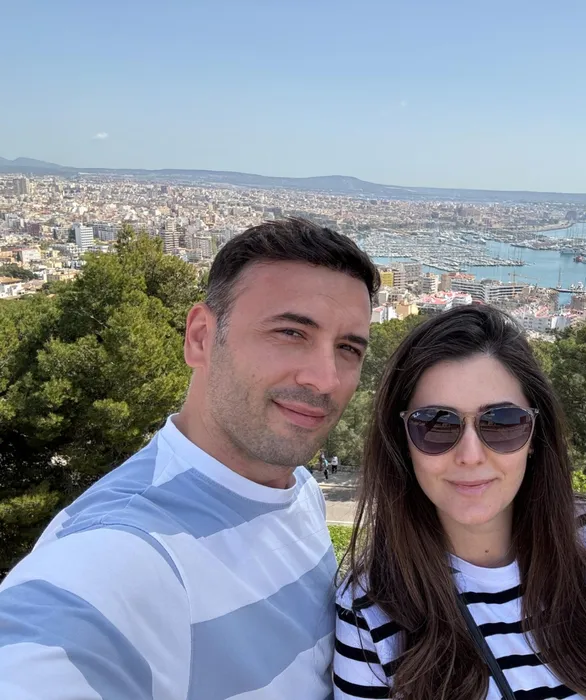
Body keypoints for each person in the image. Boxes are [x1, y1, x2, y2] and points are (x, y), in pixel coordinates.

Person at [0, 218, 379, 699]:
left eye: (348, 348)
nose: (326, 379)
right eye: (290, 332)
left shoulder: (300, 492)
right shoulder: (116, 555)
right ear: (200, 337)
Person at [335, 306, 586, 700]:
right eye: (435, 425)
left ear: (535, 437)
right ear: (402, 442)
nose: (470, 455)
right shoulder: (371, 608)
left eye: (502, 422)